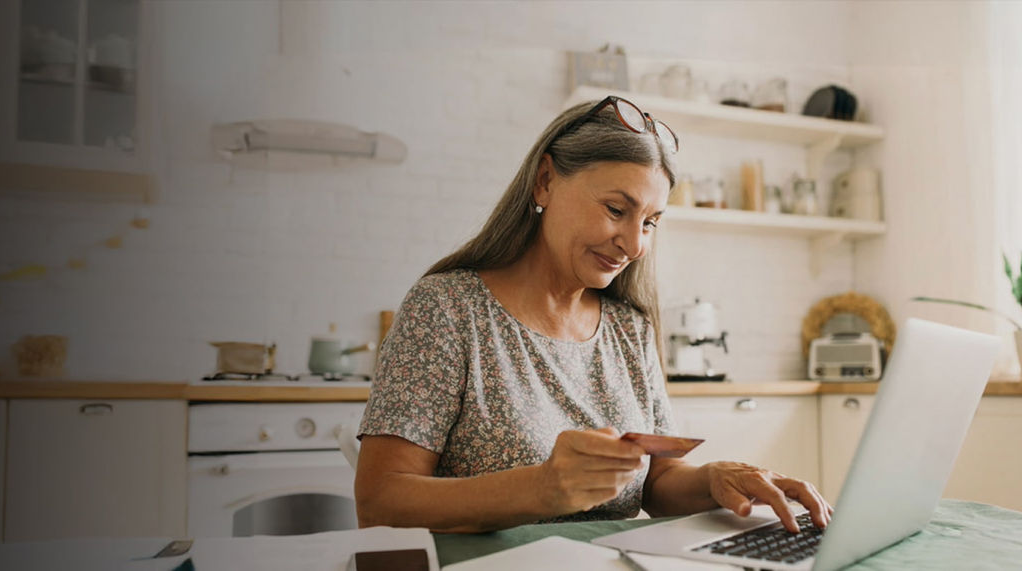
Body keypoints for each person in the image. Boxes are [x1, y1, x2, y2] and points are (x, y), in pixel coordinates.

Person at [353, 96, 832, 535]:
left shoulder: (628, 327)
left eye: (649, 222)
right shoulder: (448, 310)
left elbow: (656, 483)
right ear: (545, 181)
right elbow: (379, 502)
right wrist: (540, 488)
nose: (636, 244)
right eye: (615, 209)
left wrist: (717, 479)